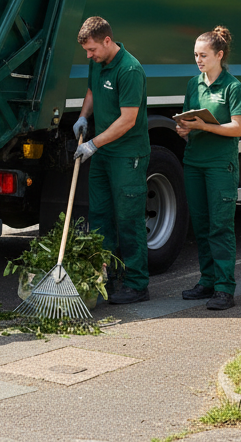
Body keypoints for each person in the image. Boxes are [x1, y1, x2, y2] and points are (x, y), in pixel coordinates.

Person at [73, 16, 150, 305]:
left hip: (127, 155)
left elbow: (128, 120)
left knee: (128, 219)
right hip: (104, 154)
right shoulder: (97, 63)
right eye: (86, 52)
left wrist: (93, 143)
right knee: (101, 217)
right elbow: (92, 91)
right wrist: (83, 116)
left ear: (108, 40)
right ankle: (109, 279)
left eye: (92, 50)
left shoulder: (130, 70)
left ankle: (137, 283)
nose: (89, 56)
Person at [175, 26, 241, 311]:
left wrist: (205, 125)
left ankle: (224, 288)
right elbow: (186, 120)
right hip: (194, 162)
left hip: (220, 165)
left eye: (203, 55)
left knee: (220, 226)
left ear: (219, 55)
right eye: (195, 55)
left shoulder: (233, 87)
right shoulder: (194, 84)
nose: (198, 60)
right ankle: (207, 281)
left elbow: (238, 128)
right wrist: (183, 129)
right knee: (201, 226)